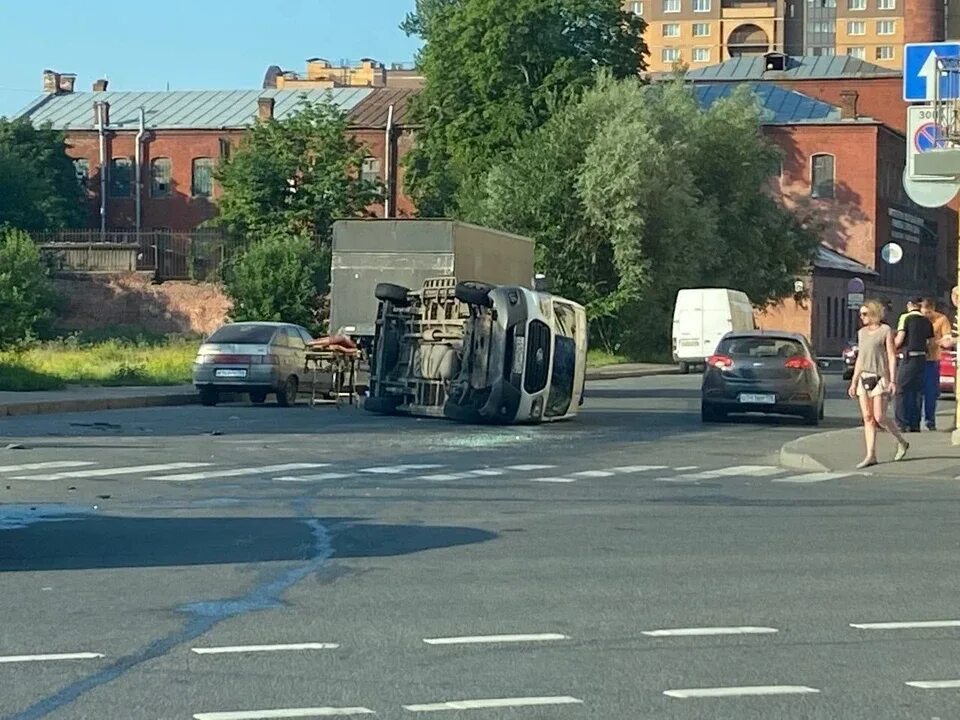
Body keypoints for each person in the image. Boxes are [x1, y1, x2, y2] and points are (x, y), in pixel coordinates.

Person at [848, 300, 909, 468]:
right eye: (860, 314)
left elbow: (891, 355)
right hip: (863, 377)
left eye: (865, 314)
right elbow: (860, 358)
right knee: (867, 417)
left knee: (879, 416)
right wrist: (853, 381)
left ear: (874, 314)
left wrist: (892, 380)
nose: (862, 317)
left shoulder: (885, 330)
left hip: (880, 376)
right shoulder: (861, 333)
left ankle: (901, 441)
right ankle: (871, 454)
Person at [894, 298, 934, 433]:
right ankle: (915, 424)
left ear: (910, 305)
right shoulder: (926, 321)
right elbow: (930, 342)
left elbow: (900, 338)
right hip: (922, 357)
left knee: (901, 389)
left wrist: (891, 348)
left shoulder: (905, 318)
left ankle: (901, 423)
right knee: (917, 391)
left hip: (908, 357)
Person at [920, 298, 952, 431]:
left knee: (930, 392)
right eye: (924, 313)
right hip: (918, 359)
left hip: (932, 359)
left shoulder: (941, 320)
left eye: (929, 313)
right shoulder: (917, 318)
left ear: (933, 309)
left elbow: (947, 338)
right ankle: (914, 419)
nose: (926, 316)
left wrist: (936, 342)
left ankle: (929, 420)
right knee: (916, 392)